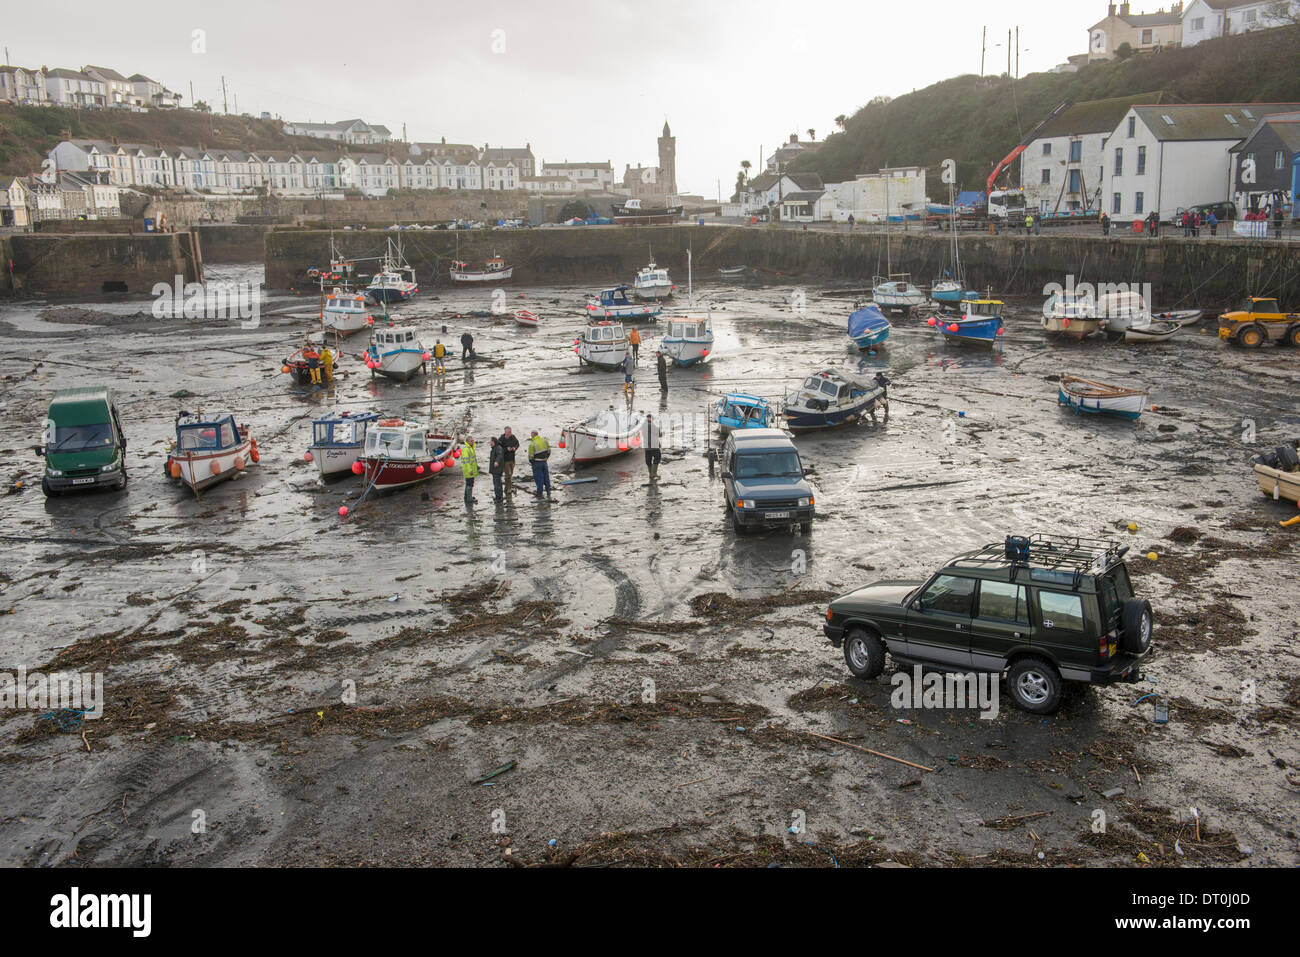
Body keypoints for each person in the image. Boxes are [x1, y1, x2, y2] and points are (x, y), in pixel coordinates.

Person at [527, 429, 551, 497]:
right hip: (544, 462)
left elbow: (530, 457)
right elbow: (549, 451)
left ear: (533, 435)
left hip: (537, 463)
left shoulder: (532, 444)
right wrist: (546, 458)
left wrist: (532, 462)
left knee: (539, 478)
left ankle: (539, 493)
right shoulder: (545, 440)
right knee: (546, 477)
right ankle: (548, 491)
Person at [498, 426, 519, 496]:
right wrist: (506, 449)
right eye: (509, 432)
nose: (510, 433)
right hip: (505, 460)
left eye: (510, 432)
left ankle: (506, 487)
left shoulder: (513, 437)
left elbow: (517, 444)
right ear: (505, 432)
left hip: (512, 459)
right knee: (508, 474)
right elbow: (498, 449)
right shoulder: (501, 439)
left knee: (511, 474)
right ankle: (509, 489)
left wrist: (514, 448)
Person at [460, 435, 479, 505]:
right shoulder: (466, 449)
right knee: (470, 484)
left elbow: (473, 460)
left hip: (471, 470)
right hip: (468, 471)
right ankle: (469, 498)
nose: (472, 442)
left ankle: (467, 497)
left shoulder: (471, 448)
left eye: (473, 441)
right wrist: (470, 470)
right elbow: (466, 461)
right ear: (467, 441)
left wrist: (476, 466)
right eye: (471, 441)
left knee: (468, 483)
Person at [643, 413, 661, 481]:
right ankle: (653, 474)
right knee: (657, 457)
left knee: (648, 459)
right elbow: (659, 434)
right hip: (653, 445)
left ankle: (651, 474)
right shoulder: (651, 425)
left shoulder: (643, 425)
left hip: (646, 446)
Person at [488, 436, 505, 503]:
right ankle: (499, 497)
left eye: (490, 441)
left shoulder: (498, 448)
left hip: (497, 469)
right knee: (497, 483)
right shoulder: (494, 448)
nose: (490, 442)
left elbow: (499, 455)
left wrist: (497, 461)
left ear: (493, 442)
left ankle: (499, 498)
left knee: (497, 484)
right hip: (495, 469)